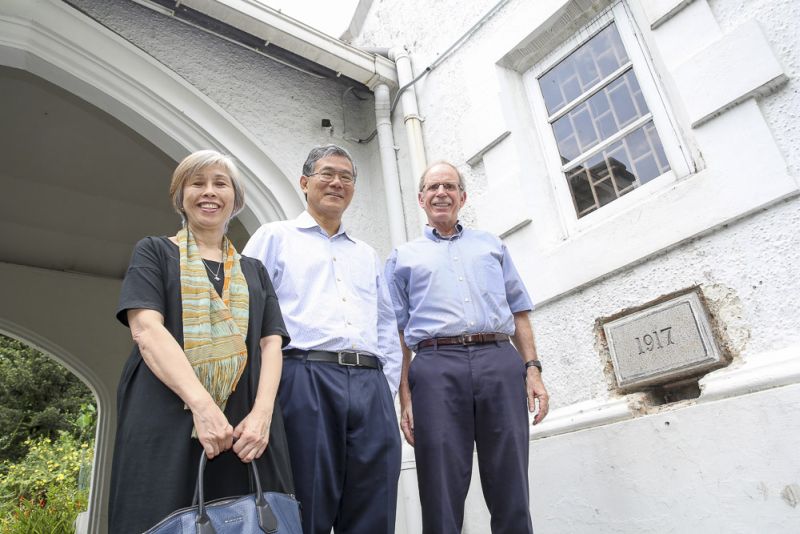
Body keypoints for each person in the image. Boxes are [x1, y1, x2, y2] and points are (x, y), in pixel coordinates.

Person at [109, 150, 294, 534]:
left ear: (235, 199)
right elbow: (146, 329)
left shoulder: (254, 270)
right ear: (181, 196)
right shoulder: (154, 252)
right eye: (197, 183)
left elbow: (271, 344)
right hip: (167, 417)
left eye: (220, 183)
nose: (209, 192)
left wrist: (262, 416)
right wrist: (204, 408)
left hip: (246, 430)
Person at [243, 144, 402, 534]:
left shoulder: (366, 254)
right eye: (326, 174)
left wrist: (388, 384)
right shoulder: (274, 237)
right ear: (304, 182)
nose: (336, 183)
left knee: (375, 503)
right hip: (305, 377)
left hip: (371, 385)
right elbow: (246, 311)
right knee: (305, 504)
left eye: (346, 177)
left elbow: (385, 323)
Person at [385, 161, 550, 534]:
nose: (441, 193)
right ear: (421, 199)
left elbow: (519, 311)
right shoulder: (401, 257)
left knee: (510, 477)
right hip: (435, 364)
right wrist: (405, 396)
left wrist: (533, 369)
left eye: (449, 186)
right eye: (432, 187)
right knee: (440, 481)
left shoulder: (492, 245)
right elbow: (395, 333)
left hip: (498, 359)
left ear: (462, 196)